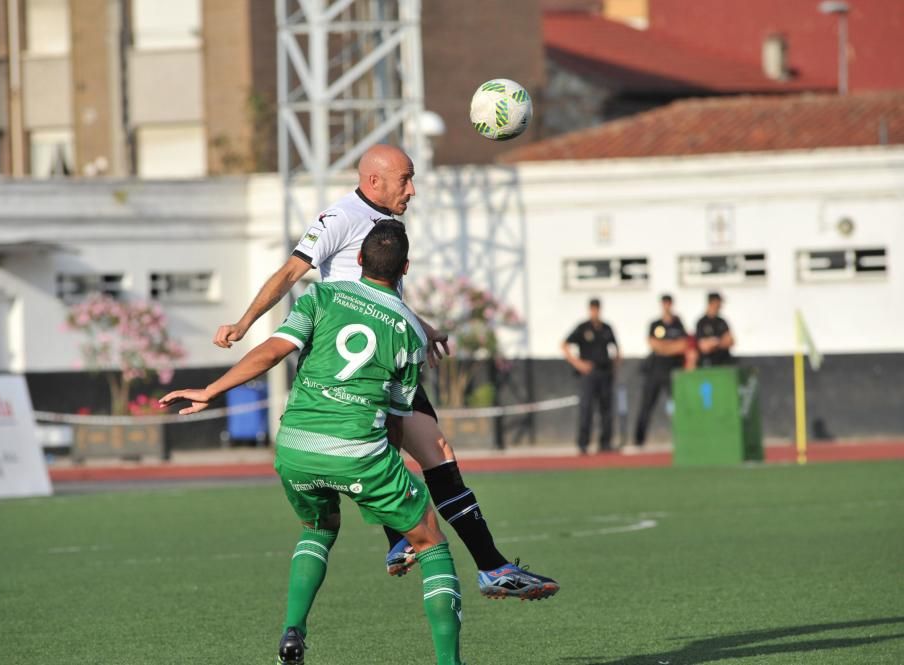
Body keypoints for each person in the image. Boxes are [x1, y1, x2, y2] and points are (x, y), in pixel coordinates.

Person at [212, 144, 558, 600]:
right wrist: (244, 322)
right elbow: (289, 273)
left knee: (430, 453)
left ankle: (420, 547)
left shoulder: (384, 226)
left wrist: (422, 325)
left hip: (377, 351)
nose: (412, 190)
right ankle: (481, 565)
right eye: (405, 179)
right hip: (353, 363)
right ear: (374, 181)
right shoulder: (340, 218)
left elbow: (377, 295)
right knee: (431, 453)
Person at [161, 222, 465, 665]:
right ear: (405, 268)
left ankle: (292, 629)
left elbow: (270, 353)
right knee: (431, 541)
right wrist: (384, 476)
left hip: (295, 446)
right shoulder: (410, 330)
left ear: (358, 259)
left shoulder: (320, 297)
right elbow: (396, 418)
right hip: (360, 454)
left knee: (319, 528)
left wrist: (211, 390)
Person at [561, 298, 620, 454]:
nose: (595, 312)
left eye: (597, 309)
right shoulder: (582, 328)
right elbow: (564, 345)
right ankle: (583, 443)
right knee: (586, 408)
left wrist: (613, 366)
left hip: (605, 372)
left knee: (606, 408)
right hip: (589, 374)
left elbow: (617, 349)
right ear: (590, 310)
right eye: (593, 309)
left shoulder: (607, 328)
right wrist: (578, 363)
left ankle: (605, 443)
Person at [633, 294, 688, 448]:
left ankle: (682, 438)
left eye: (669, 303)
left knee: (677, 406)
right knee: (646, 406)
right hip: (655, 371)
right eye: (664, 303)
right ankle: (639, 440)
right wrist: (671, 347)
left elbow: (683, 345)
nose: (667, 306)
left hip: (674, 371)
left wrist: (665, 348)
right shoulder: (655, 324)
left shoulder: (678, 324)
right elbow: (654, 345)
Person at [695, 292, 735, 366]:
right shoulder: (701, 322)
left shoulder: (722, 321)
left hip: (724, 361)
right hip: (709, 363)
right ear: (713, 302)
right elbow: (704, 347)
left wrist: (715, 342)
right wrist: (721, 341)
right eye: (719, 303)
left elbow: (731, 341)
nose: (721, 306)